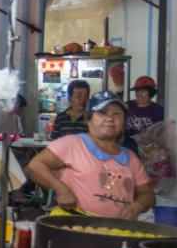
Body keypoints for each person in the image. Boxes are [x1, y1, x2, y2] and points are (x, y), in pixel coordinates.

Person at [25, 91, 154, 219]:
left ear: (123, 122)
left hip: (118, 231)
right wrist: (61, 189)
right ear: (89, 120)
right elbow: (35, 166)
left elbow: (147, 194)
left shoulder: (130, 157)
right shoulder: (72, 144)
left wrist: (137, 206)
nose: (109, 118)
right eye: (102, 113)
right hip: (76, 227)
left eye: (116, 113)